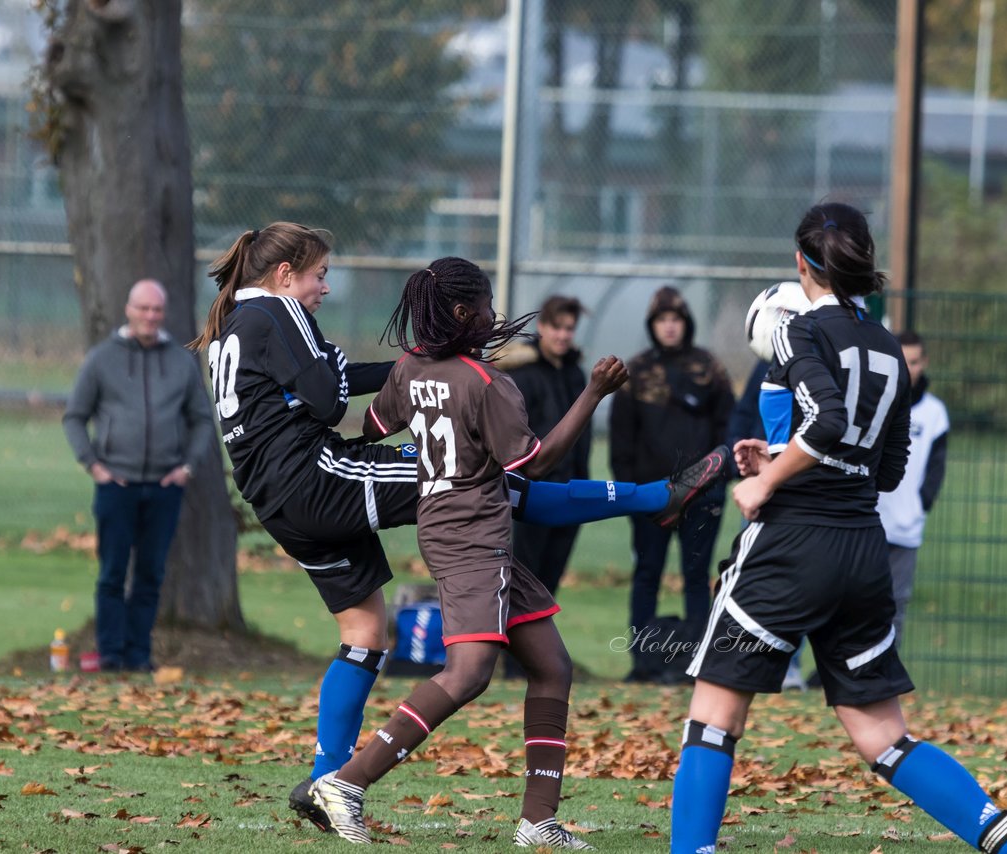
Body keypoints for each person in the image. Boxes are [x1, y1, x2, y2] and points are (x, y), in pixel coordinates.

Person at [190, 223, 725, 833]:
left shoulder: (240, 321)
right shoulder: (278, 311)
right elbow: (325, 400)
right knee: (489, 483)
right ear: (285, 274)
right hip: (315, 475)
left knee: (369, 633)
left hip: (276, 497)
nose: (325, 287)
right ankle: (657, 497)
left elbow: (363, 410)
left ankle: (330, 781)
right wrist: (369, 370)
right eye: (319, 274)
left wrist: (411, 372)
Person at [670, 202, 1007, 854]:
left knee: (713, 720)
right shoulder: (889, 347)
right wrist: (780, 456)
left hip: (792, 545)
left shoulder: (802, 331)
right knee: (884, 738)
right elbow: (884, 469)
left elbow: (826, 422)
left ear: (801, 263)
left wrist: (768, 480)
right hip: (862, 549)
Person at [309, 256, 628, 848]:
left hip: (455, 530)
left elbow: (377, 425)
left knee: (551, 666)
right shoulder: (487, 383)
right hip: (474, 536)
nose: (492, 316)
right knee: (470, 672)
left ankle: (539, 822)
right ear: (462, 313)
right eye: (484, 306)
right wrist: (594, 393)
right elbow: (536, 463)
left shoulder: (408, 367)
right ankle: (347, 783)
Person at [63, 279, 215, 673]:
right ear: (128, 310)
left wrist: (187, 467)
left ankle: (138, 655)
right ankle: (110, 653)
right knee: (113, 573)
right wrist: (94, 465)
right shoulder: (102, 359)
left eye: (156, 310)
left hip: (164, 486)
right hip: (117, 485)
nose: (150, 316)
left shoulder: (181, 362)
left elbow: (201, 419)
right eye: (143, 308)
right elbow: (75, 417)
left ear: (164, 314)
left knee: (150, 574)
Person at [609, 285, 735, 682]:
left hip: (703, 494)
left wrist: (715, 481)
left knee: (698, 576)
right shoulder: (635, 372)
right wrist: (630, 494)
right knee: (647, 572)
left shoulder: (709, 368)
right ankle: (643, 663)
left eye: (676, 319)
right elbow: (620, 441)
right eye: (662, 319)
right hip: (650, 497)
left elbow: (727, 432)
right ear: (652, 324)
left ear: (687, 323)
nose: (669, 327)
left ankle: (696, 663)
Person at [499, 295, 592, 597]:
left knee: (548, 588)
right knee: (522, 581)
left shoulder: (575, 374)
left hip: (571, 490)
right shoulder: (523, 374)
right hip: (532, 492)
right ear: (542, 326)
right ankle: (509, 644)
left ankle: (537, 642)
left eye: (569, 328)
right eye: (557, 327)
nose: (563, 335)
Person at [876, 331, 948, 647]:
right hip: (867, 519)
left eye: (915, 362)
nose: (909, 369)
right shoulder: (875, 400)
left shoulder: (935, 413)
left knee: (895, 604)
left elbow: (936, 468)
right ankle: (839, 671)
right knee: (852, 600)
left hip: (906, 525)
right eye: (903, 362)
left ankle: (884, 672)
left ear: (925, 362)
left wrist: (921, 504)